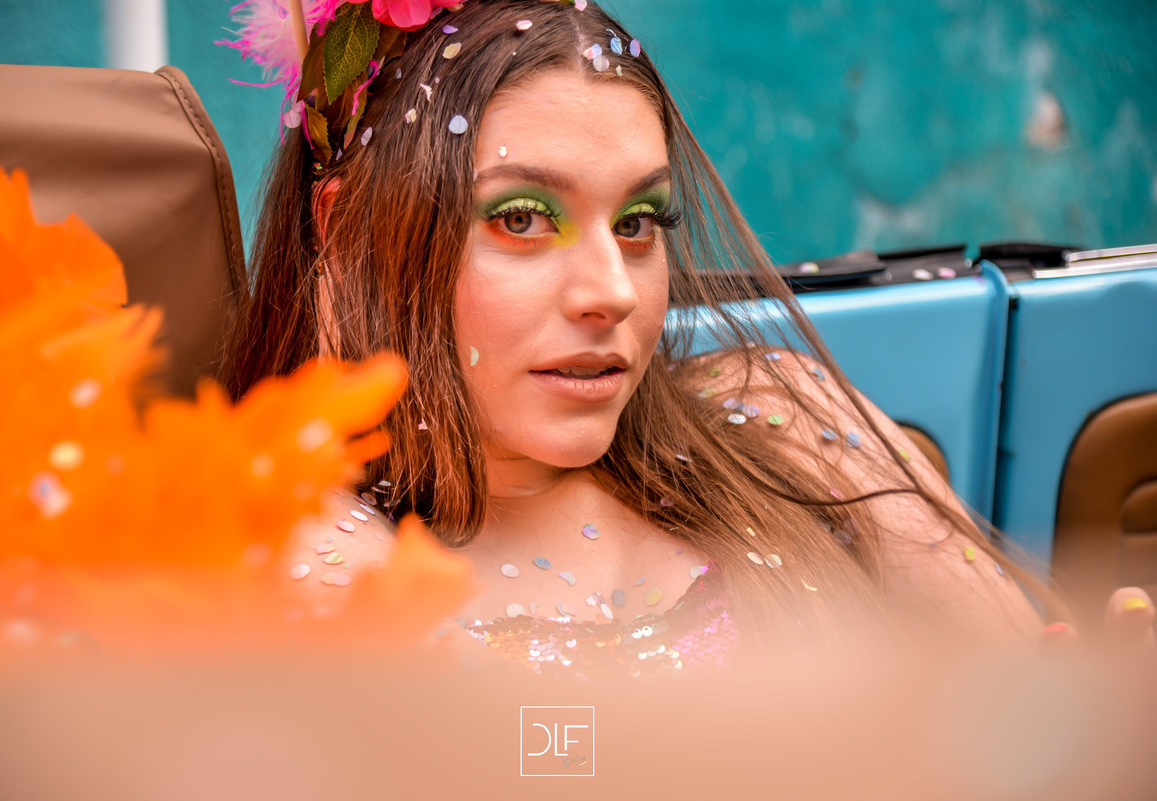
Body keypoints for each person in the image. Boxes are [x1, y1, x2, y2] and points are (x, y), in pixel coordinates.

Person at [222, 0, 1153, 674]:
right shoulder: (307, 567)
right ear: (346, 234)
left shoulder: (782, 412)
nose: (611, 291)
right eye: (521, 218)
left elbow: (1036, 699)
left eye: (638, 223)